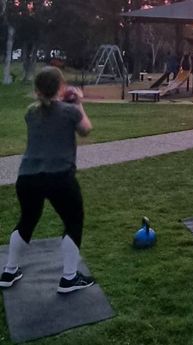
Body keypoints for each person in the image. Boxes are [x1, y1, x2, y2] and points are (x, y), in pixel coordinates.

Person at [0, 67, 95, 293]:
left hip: (28, 177)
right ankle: (69, 278)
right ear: (60, 86)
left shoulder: (30, 112)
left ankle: (9, 271)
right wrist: (78, 101)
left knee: (27, 220)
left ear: (36, 89)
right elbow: (86, 130)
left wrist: (63, 99)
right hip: (59, 177)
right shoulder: (70, 111)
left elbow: (48, 108)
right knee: (73, 221)